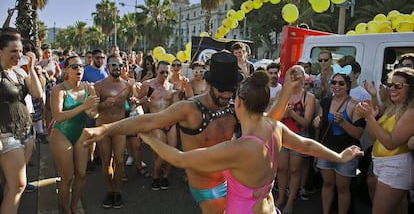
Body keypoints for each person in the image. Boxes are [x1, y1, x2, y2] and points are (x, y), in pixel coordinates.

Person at [82, 68, 363, 214]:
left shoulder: (237, 148)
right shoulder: (273, 127)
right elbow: (305, 144)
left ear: (238, 102)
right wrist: (338, 156)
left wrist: (146, 138)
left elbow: (179, 159)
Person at [355, 67, 414, 214]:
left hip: (396, 166)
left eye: (398, 86)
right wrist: (371, 118)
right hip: (382, 164)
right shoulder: (392, 107)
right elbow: (373, 137)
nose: (392, 89)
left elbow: (390, 143)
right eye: (390, 84)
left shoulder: (410, 112)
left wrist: (369, 117)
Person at [49, 55, 99, 214]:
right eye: (74, 67)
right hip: (61, 134)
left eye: (81, 66)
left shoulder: (88, 87)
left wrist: (93, 108)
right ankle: (65, 208)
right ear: (66, 70)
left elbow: (94, 115)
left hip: (80, 133)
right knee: (67, 177)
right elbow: (58, 116)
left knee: (82, 175)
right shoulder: (59, 90)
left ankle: (74, 205)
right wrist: (83, 106)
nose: (79, 69)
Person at [0, 33, 43, 214]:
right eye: (13, 51)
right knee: (19, 185)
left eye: (20, 51)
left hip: (26, 131)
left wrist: (31, 68)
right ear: (0, 52)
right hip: (6, 134)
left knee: (11, 184)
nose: (18, 55)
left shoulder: (19, 71)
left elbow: (37, 93)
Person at [313, 72, 366, 214]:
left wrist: (343, 123)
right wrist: (316, 122)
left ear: (348, 86)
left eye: (341, 83)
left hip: (347, 151)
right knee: (328, 184)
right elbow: (318, 121)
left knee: (343, 188)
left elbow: (358, 133)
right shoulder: (325, 102)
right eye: (334, 82)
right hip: (326, 150)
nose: (336, 86)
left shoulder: (355, 105)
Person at [94, 54, 134, 209]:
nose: (117, 68)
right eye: (114, 65)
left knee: (119, 160)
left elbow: (131, 103)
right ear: (108, 67)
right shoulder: (99, 86)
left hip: (119, 126)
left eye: (120, 65)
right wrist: (103, 104)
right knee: (106, 160)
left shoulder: (127, 85)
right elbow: (93, 109)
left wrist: (134, 102)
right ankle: (109, 191)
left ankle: (117, 191)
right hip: (103, 126)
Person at [276, 66, 316, 214]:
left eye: (298, 74)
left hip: (298, 137)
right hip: (282, 135)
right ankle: (280, 197)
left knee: (294, 171)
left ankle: (291, 201)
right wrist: (282, 114)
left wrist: (291, 113)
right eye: (291, 74)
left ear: (304, 77)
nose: (294, 77)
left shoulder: (308, 97)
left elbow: (306, 123)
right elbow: (274, 117)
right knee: (281, 169)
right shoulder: (282, 93)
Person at [138, 60, 177, 190]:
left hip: (170, 122)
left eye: (167, 72)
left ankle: (165, 175)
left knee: (171, 151)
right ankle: (155, 175)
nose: (165, 74)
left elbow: (176, 107)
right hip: (155, 122)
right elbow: (137, 102)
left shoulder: (172, 88)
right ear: (156, 71)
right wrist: (142, 101)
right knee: (161, 152)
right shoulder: (148, 85)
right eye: (162, 72)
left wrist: (178, 93)